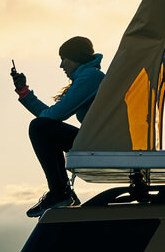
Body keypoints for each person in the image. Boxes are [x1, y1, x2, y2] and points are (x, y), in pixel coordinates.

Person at [12, 35, 105, 217]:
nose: (61, 65)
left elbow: (53, 116)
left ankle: (60, 192)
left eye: (64, 59)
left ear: (76, 57)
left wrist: (26, 95)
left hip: (102, 143)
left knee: (39, 128)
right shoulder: (88, 77)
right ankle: (61, 192)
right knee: (42, 127)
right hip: (99, 140)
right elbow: (50, 118)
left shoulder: (91, 77)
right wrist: (24, 92)